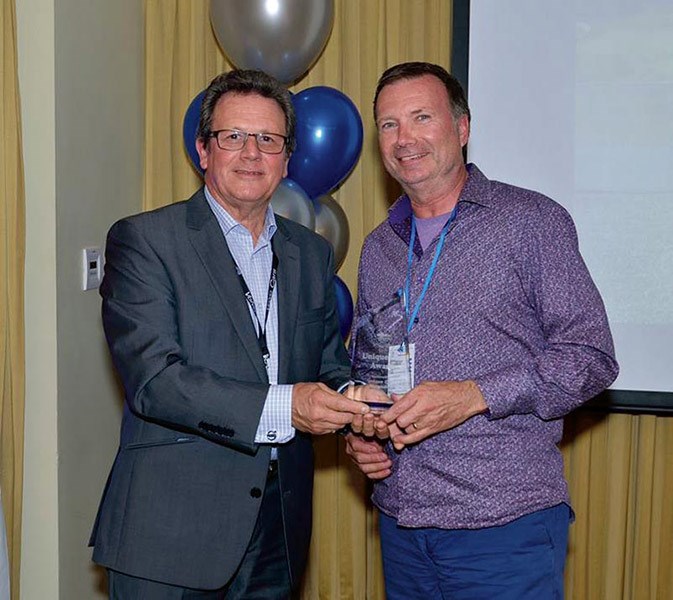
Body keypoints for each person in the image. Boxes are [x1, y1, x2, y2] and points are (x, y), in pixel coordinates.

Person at [89, 69, 368, 599]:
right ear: (203, 149)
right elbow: (156, 381)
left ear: (288, 158)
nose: (251, 154)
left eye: (268, 139)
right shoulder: (145, 240)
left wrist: (356, 404)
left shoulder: (310, 253)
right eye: (232, 137)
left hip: (278, 533)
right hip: (169, 535)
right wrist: (290, 407)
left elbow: (328, 366)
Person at [345, 62, 619, 600]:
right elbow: (373, 363)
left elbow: (591, 357)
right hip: (401, 521)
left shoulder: (531, 221)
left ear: (462, 127)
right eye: (389, 124)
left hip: (502, 524)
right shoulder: (378, 247)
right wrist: (363, 431)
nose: (404, 139)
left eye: (422, 117)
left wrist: (475, 395)